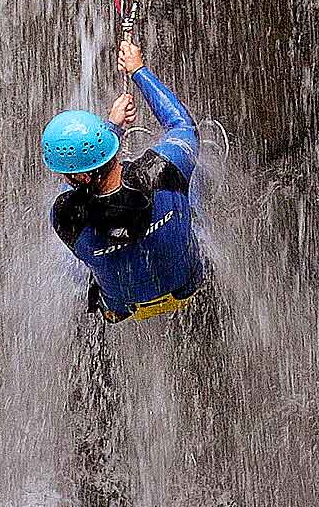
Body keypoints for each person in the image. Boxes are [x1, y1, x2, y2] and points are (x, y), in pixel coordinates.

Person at [42, 39, 204, 324]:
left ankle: (102, 316)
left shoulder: (65, 216)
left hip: (123, 307)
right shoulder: (162, 172)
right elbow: (182, 126)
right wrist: (138, 69)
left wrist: (112, 128)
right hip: (186, 287)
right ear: (108, 151)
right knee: (195, 185)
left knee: (72, 260)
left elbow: (83, 185)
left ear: (74, 175)